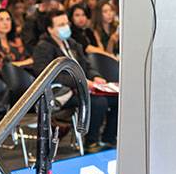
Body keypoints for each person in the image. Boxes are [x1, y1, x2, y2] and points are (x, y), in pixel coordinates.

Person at [32, 10, 118, 153]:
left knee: (116, 99)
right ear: (50, 29)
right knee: (98, 102)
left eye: (66, 23)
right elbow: (47, 75)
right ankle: (91, 142)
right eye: (61, 25)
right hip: (60, 92)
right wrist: (81, 82)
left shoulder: (72, 44)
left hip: (80, 88)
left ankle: (108, 138)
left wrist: (95, 76)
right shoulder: (43, 47)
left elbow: (86, 66)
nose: (66, 27)